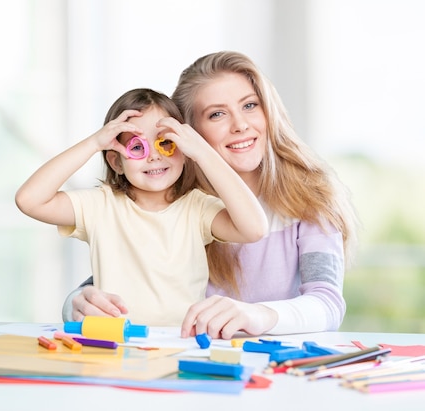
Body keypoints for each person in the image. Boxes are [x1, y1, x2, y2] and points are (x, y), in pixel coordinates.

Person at [62, 51, 359, 339]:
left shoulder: (310, 197)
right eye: (217, 114)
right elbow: (128, 280)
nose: (240, 125)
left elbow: (327, 304)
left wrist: (257, 315)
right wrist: (76, 302)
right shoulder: (182, 203)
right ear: (188, 133)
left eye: (250, 105)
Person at [15, 88, 268, 326]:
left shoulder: (197, 208)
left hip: (182, 343)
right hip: (116, 342)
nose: (154, 156)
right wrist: (94, 143)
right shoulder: (100, 206)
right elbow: (29, 200)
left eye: (165, 143)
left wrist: (202, 152)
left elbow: (254, 229)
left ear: (184, 149)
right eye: (137, 147)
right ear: (116, 162)